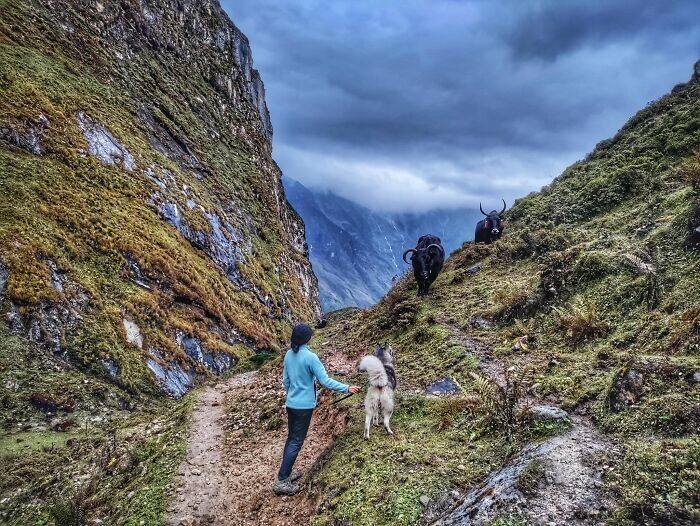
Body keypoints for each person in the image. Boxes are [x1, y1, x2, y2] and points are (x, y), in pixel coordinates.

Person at [273, 323, 361, 496]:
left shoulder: (289, 355)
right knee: (296, 441)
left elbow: (286, 381)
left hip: (291, 404)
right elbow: (325, 381)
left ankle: (287, 473)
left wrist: (293, 394)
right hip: (303, 407)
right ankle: (282, 481)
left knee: (291, 439)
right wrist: (347, 387)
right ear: (308, 339)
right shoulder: (311, 357)